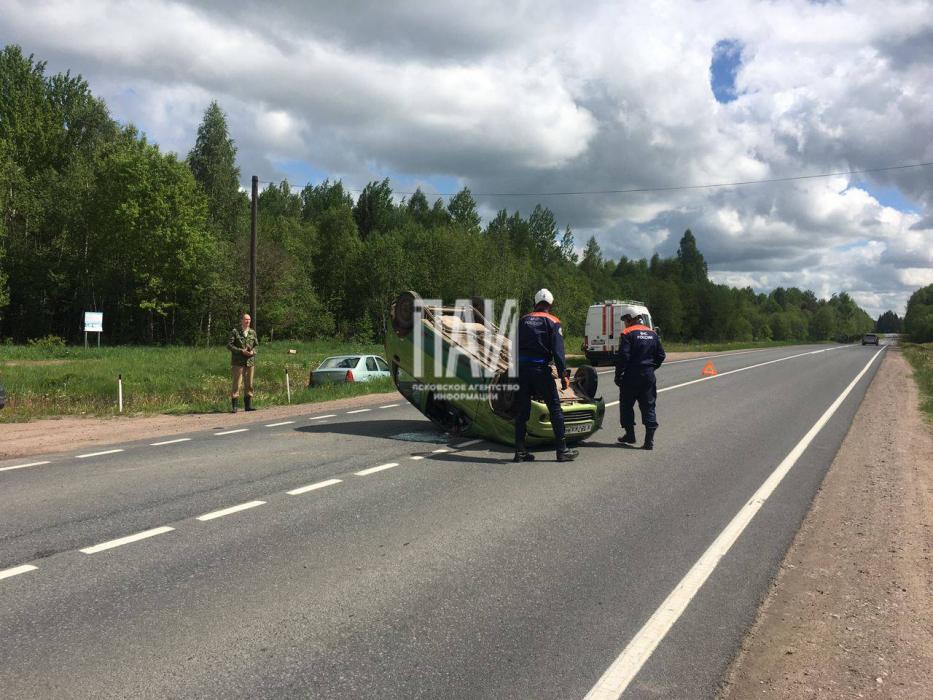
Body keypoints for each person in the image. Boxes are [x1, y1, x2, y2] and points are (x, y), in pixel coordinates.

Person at [513, 289, 579, 463]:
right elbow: (558, 351)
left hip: (521, 370)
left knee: (522, 412)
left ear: (535, 303)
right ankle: (562, 450)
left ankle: (520, 452)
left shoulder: (523, 320)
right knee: (555, 408)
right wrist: (564, 374)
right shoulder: (553, 321)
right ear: (550, 304)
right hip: (540, 370)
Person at [614, 312, 665, 449]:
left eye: (626, 320)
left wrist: (618, 375)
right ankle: (649, 440)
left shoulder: (627, 333)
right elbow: (661, 355)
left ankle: (630, 435)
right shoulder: (653, 333)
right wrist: (651, 368)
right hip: (648, 375)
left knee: (626, 405)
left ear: (631, 319)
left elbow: (623, 356)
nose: (625, 323)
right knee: (648, 406)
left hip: (631, 375)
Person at [228, 313, 258, 413]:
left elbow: (256, 345)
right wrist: (241, 351)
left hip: (250, 362)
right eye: (246, 319)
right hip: (238, 362)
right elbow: (229, 345)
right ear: (241, 320)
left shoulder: (252, 332)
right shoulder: (235, 332)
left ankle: (248, 406)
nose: (248, 321)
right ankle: (234, 407)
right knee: (237, 384)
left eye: (249, 319)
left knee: (249, 384)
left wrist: (253, 352)